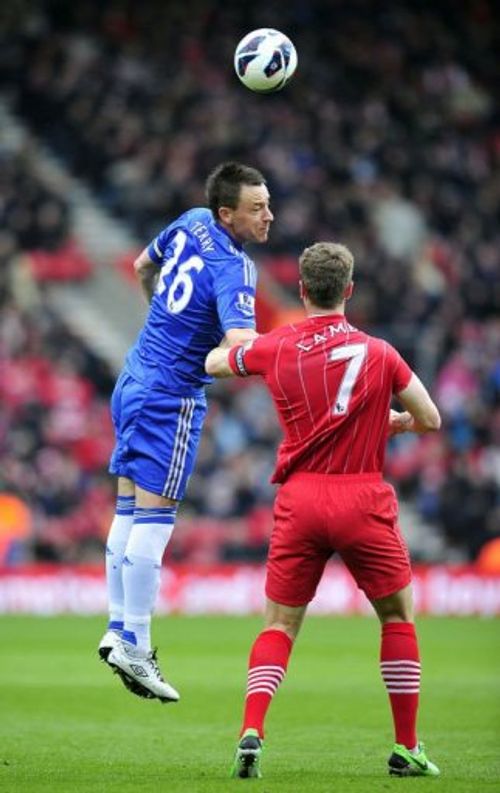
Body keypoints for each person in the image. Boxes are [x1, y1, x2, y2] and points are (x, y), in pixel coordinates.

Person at [205, 241, 441, 778]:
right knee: (397, 617)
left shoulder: (278, 346)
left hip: (301, 498)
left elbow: (216, 362)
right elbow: (430, 418)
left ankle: (251, 729)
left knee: (280, 625)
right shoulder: (381, 352)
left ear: (303, 289)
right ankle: (407, 747)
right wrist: (394, 422)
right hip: (362, 496)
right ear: (349, 291)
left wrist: (239, 340)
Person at [99, 162, 273, 702]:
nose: (269, 216)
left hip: (133, 376)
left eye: (267, 204)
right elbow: (239, 345)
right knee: (155, 518)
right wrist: (286, 358)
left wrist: (167, 322)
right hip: (171, 396)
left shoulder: (192, 219)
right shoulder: (237, 271)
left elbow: (141, 265)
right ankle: (138, 645)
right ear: (228, 214)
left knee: (127, 509)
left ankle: (118, 629)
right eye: (256, 208)